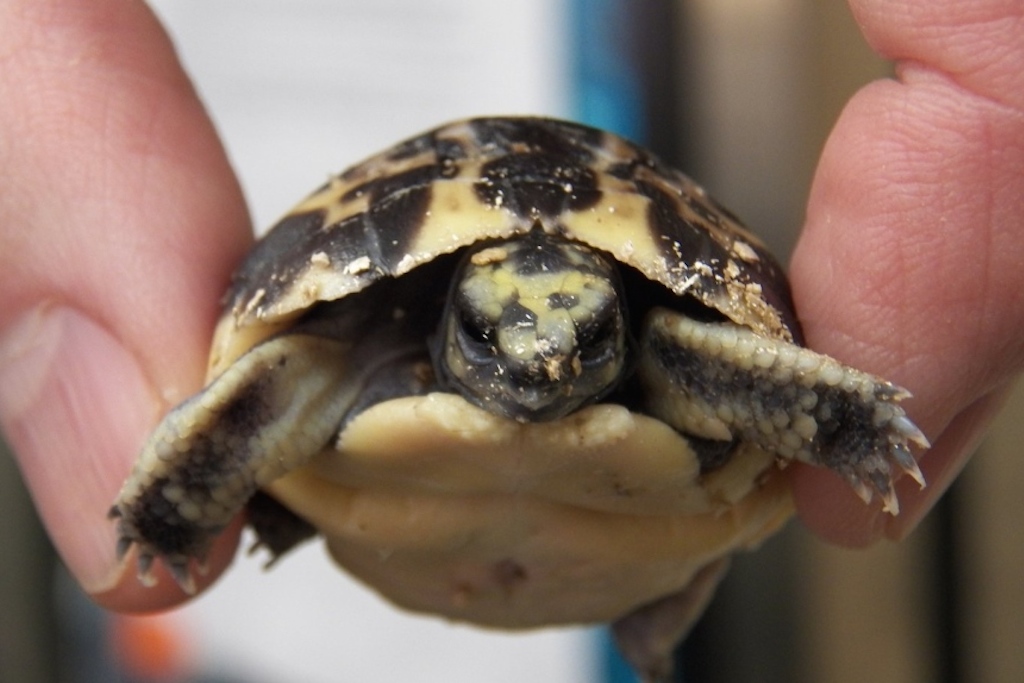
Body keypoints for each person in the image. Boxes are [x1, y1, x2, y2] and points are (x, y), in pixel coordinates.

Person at [0, 0, 1021, 614]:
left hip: (622, 545)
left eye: (583, 339)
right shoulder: (335, 353)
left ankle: (655, 617)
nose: (541, 361)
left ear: (611, 322)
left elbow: (704, 356)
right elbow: (271, 375)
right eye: (498, 334)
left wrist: (843, 418)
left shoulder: (664, 351)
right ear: (453, 319)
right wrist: (178, 495)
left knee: (696, 370)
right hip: (517, 518)